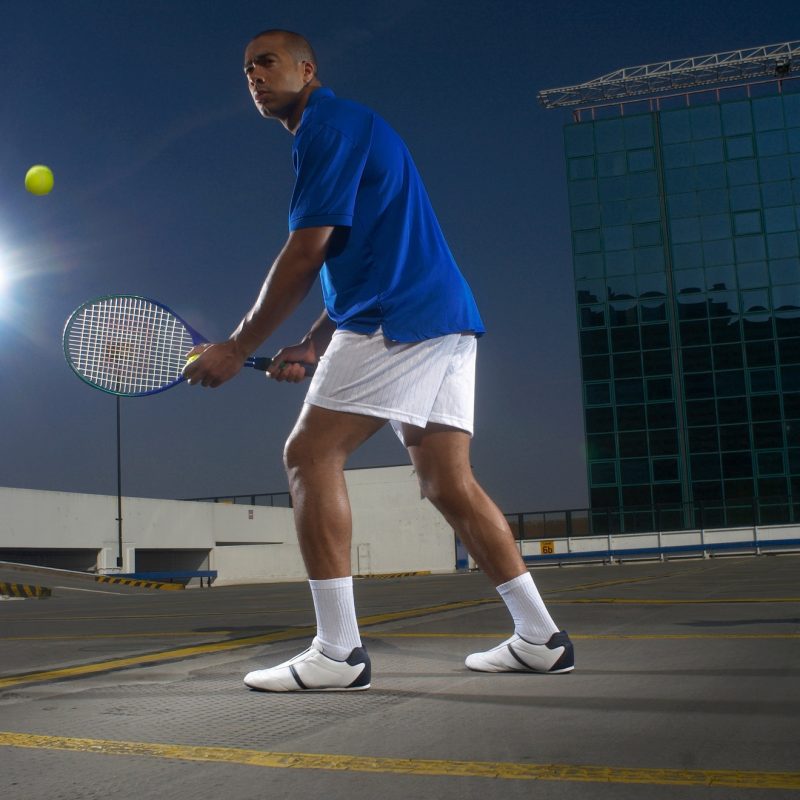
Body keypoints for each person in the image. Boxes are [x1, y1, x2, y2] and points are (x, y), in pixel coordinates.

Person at [184, 29, 574, 691]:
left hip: (397, 319)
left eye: (268, 61)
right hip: (443, 318)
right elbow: (361, 253)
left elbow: (307, 253)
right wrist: (311, 343)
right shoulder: (347, 125)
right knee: (448, 483)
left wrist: (238, 345)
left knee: (310, 455)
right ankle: (540, 638)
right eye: (247, 67)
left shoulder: (324, 129)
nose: (254, 74)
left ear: (308, 69)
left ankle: (338, 654)